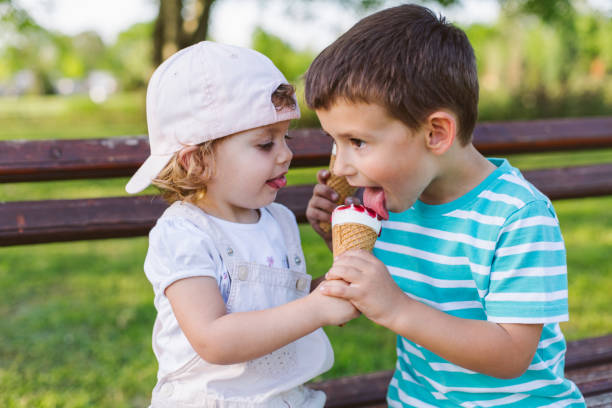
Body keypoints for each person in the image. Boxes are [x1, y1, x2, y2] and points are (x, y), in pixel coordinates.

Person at [305, 4, 586, 407]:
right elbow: (389, 286)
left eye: (358, 142)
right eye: (335, 142)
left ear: (436, 133)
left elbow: (511, 355)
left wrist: (398, 309)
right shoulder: (393, 205)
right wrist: (342, 247)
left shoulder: (516, 216)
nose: (342, 166)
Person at [125, 41, 359, 408]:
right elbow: (214, 339)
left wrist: (329, 289)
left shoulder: (278, 220)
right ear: (196, 162)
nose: (286, 154)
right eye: (265, 144)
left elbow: (284, 305)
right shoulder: (184, 235)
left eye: (286, 137)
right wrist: (316, 309)